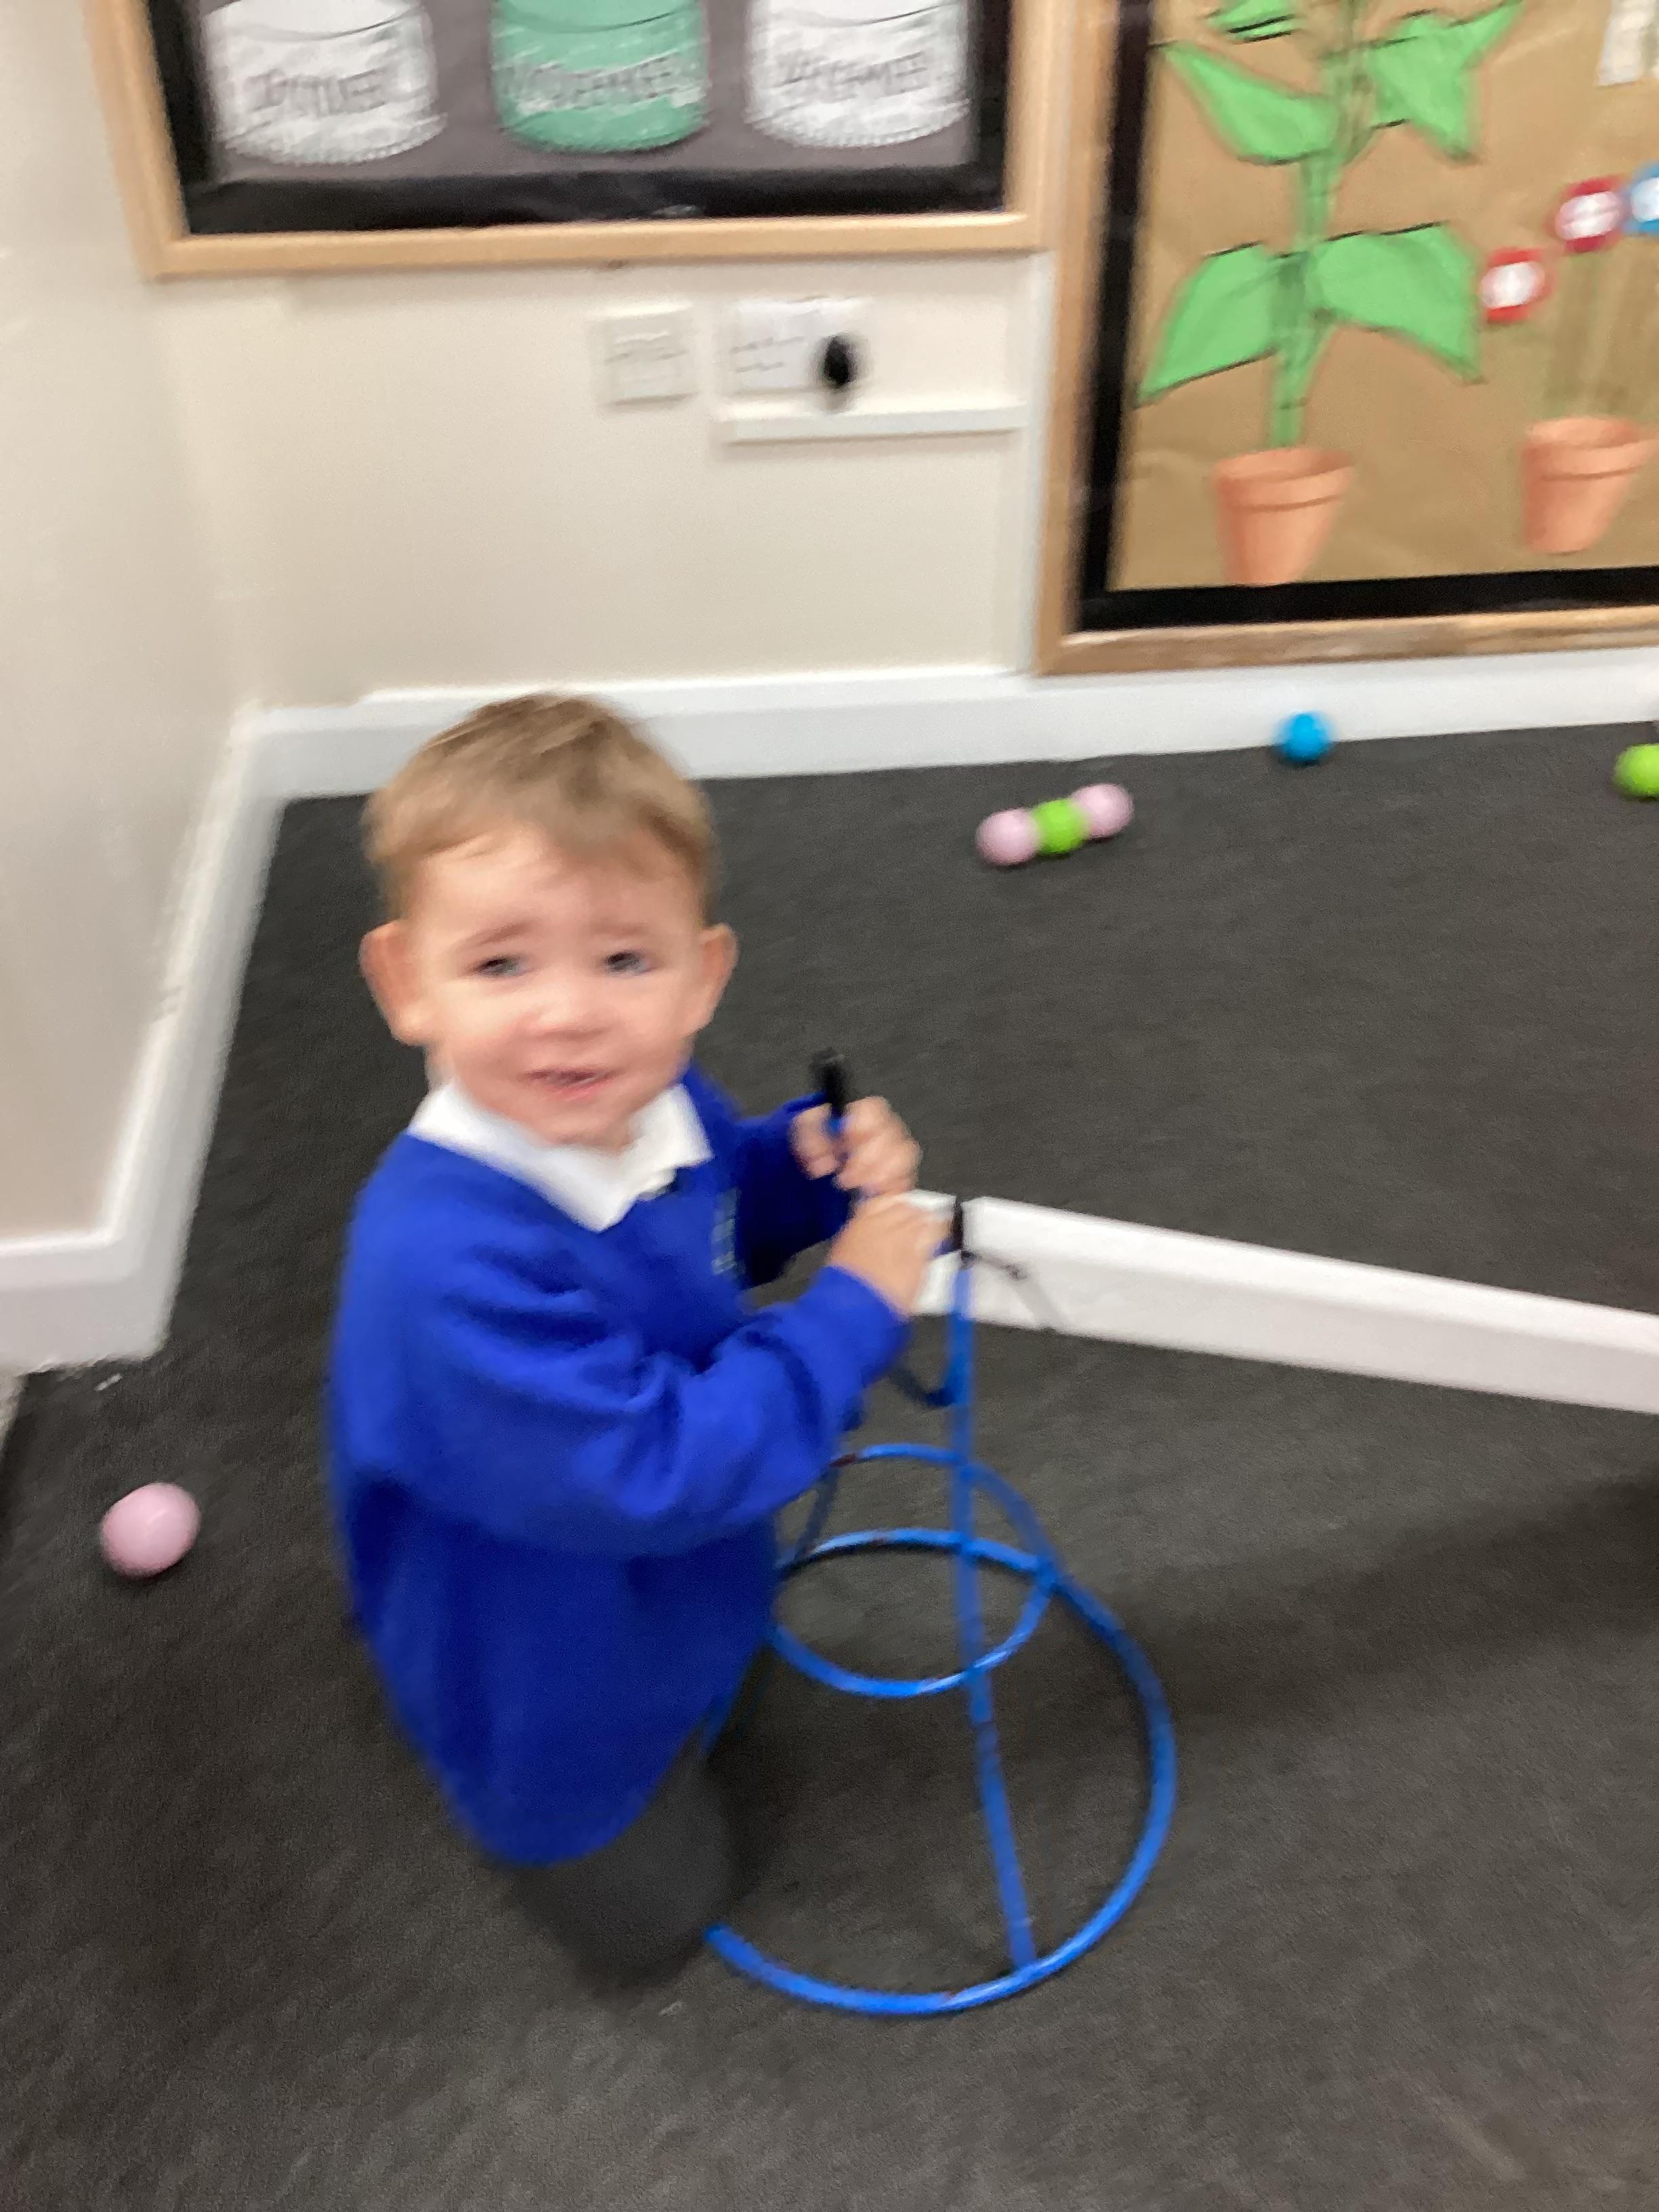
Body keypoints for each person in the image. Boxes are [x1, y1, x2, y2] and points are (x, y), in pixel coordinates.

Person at [329, 693, 938, 1982]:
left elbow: (706, 1223)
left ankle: (690, 1674)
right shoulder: (441, 1265)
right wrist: (850, 1311)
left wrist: (801, 1171)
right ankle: (563, 1804)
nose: (571, 1016)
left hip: (676, 1575)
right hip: (543, 1659)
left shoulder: (658, 1102)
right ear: (406, 982)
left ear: (702, 975)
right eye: (502, 965)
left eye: (623, 961)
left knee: (715, 1674)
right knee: (656, 1909)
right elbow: (656, 1467)